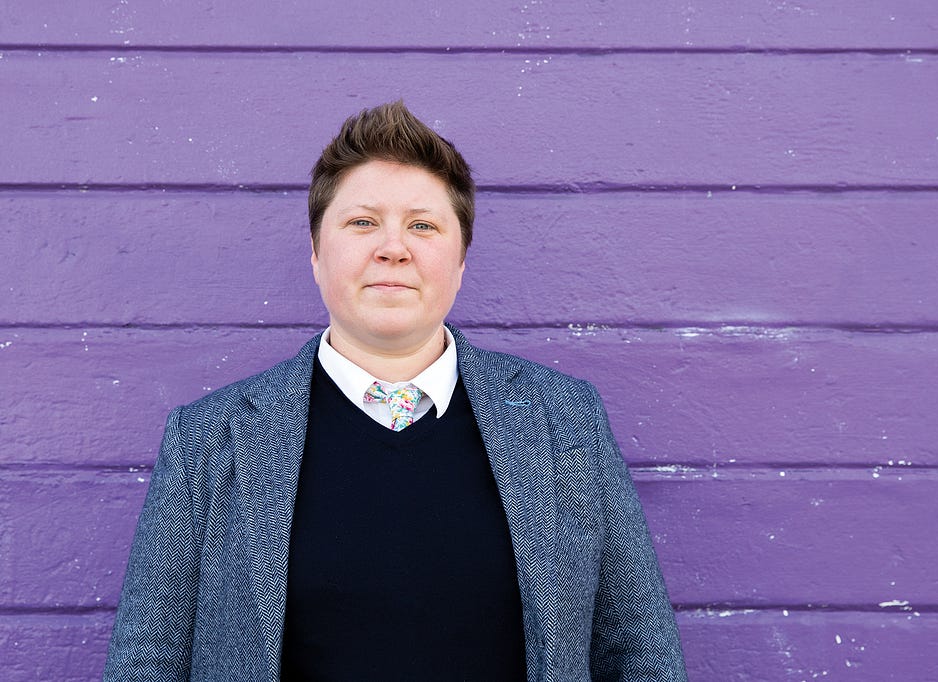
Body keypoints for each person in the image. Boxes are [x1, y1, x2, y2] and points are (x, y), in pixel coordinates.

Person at [105, 101, 686, 681]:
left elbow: (639, 652)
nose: (393, 248)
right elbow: (146, 660)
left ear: (460, 261)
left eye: (423, 225)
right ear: (314, 253)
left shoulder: (564, 421)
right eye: (362, 222)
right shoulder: (212, 438)